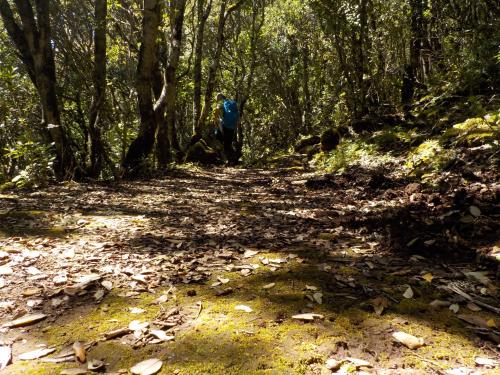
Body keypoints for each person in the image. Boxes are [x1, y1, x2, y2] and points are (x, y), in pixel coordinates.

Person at [214, 93, 239, 164]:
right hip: (232, 126)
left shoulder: (221, 103)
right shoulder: (231, 102)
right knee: (228, 143)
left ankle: (228, 160)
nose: (217, 100)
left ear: (220, 98)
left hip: (225, 125)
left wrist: (216, 120)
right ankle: (232, 160)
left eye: (217, 99)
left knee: (220, 139)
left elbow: (216, 112)